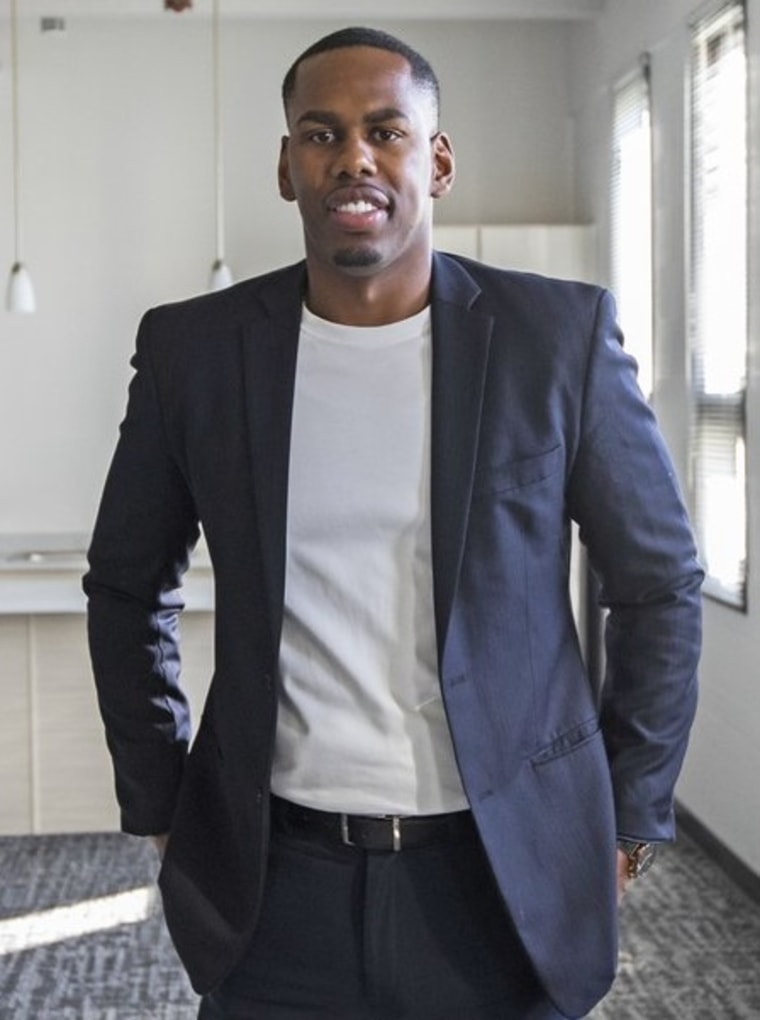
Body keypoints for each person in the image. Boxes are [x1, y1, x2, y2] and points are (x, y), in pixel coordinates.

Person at [84, 26, 702, 1020]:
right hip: (275, 886)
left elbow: (657, 584)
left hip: (499, 879)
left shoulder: (556, 339)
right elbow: (125, 584)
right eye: (320, 135)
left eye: (386, 131)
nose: (353, 158)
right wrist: (160, 796)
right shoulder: (193, 354)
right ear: (287, 169)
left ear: (438, 159)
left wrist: (626, 813)